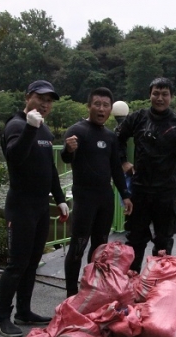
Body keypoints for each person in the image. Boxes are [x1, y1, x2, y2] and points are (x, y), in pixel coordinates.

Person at [0, 79, 69, 337]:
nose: (45, 104)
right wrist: (29, 127)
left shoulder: (45, 131)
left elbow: (50, 169)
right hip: (20, 206)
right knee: (17, 264)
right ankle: (1, 317)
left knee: (32, 262)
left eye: (49, 101)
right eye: (41, 98)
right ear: (28, 97)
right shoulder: (16, 125)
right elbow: (14, 158)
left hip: (40, 206)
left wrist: (59, 198)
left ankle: (24, 312)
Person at [116, 77, 176, 272]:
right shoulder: (138, 118)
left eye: (165, 94)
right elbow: (118, 138)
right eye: (156, 93)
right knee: (135, 238)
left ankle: (158, 282)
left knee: (164, 240)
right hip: (140, 188)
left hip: (166, 190)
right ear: (150, 95)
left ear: (171, 97)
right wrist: (123, 161)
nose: (160, 98)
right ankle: (132, 279)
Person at [60, 87, 133, 297]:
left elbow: (116, 169)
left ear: (110, 109)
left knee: (101, 247)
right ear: (89, 106)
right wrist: (68, 149)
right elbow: (66, 159)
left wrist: (125, 195)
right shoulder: (77, 131)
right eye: (97, 104)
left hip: (105, 198)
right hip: (84, 198)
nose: (101, 109)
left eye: (106, 105)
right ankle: (71, 293)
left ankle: (91, 288)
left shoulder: (110, 137)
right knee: (78, 245)